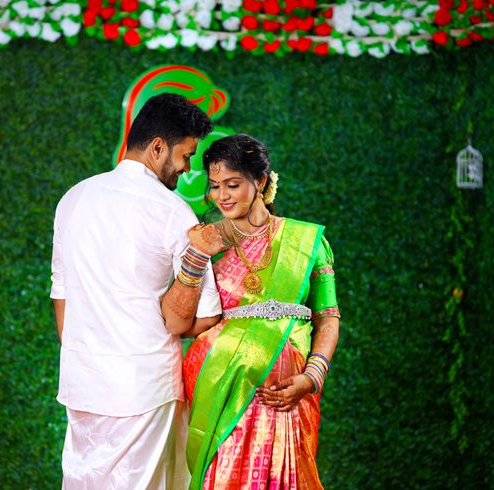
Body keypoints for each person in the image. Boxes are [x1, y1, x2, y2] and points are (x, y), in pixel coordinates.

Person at [50, 93, 225, 489]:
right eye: (185, 156)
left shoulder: (73, 198)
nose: (187, 169)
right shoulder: (171, 210)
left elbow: (62, 300)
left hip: (83, 382)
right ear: (158, 147)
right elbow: (205, 318)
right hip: (144, 386)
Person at [182, 134, 341, 489]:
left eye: (232, 185)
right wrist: (195, 256)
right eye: (214, 186)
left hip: (286, 394)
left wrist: (312, 377)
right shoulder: (206, 241)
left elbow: (327, 316)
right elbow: (183, 321)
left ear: (261, 182)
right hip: (220, 387)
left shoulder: (306, 241)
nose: (221, 196)